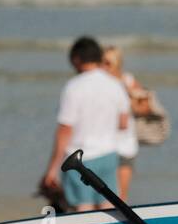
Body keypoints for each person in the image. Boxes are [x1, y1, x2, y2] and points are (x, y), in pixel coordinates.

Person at [42, 37, 129, 212]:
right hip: (109, 154)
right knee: (109, 207)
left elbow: (65, 129)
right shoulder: (115, 84)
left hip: (80, 159)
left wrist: (52, 169)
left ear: (76, 59)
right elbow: (123, 123)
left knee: (83, 210)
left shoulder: (74, 87)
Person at [100, 45, 156, 202]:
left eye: (108, 62)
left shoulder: (127, 80)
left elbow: (146, 109)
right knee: (102, 194)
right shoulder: (98, 83)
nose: (104, 66)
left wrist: (129, 97)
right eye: (101, 62)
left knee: (120, 196)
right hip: (102, 145)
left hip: (125, 145)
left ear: (117, 63)